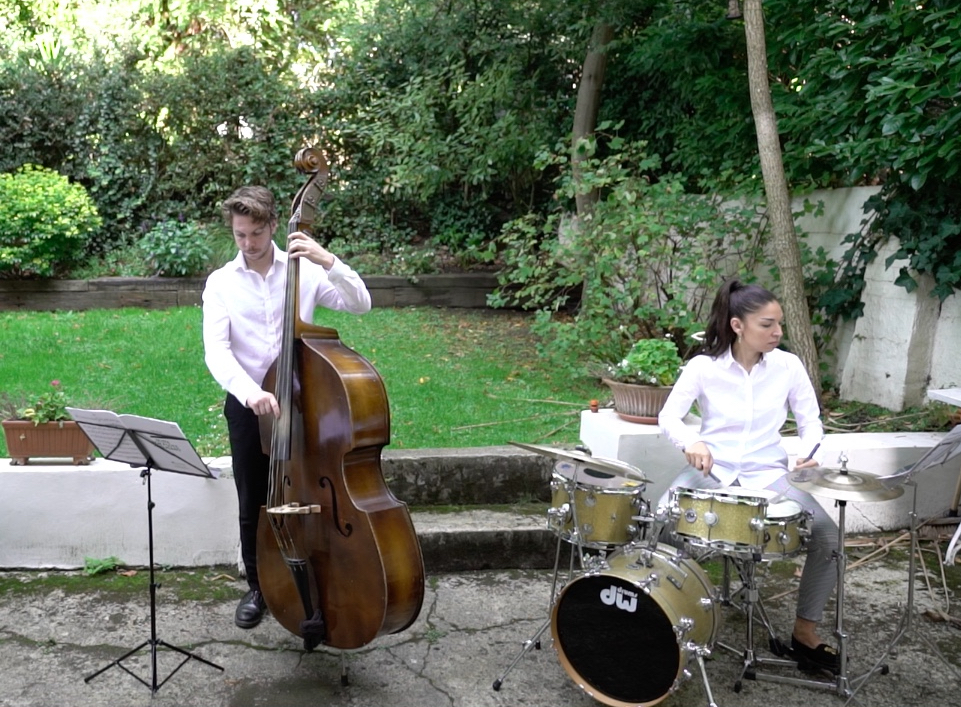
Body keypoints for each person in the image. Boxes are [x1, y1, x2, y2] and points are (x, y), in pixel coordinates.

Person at [202, 185, 372, 629]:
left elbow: (360, 303)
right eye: (240, 234)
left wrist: (328, 261)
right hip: (250, 404)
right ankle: (259, 587)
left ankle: (323, 575)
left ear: (275, 225)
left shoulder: (305, 270)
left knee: (314, 491)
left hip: (306, 398)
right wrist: (249, 392)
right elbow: (216, 351)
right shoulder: (221, 283)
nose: (248, 243)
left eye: (256, 233)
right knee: (253, 498)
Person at [657, 278, 841, 674]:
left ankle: (804, 632)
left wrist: (808, 453)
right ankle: (664, 616)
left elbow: (811, 422)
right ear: (738, 325)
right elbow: (669, 416)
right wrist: (692, 441)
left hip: (768, 473)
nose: (777, 332)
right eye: (767, 324)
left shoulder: (788, 366)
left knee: (828, 535)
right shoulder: (703, 367)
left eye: (779, 324)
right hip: (711, 469)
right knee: (661, 518)